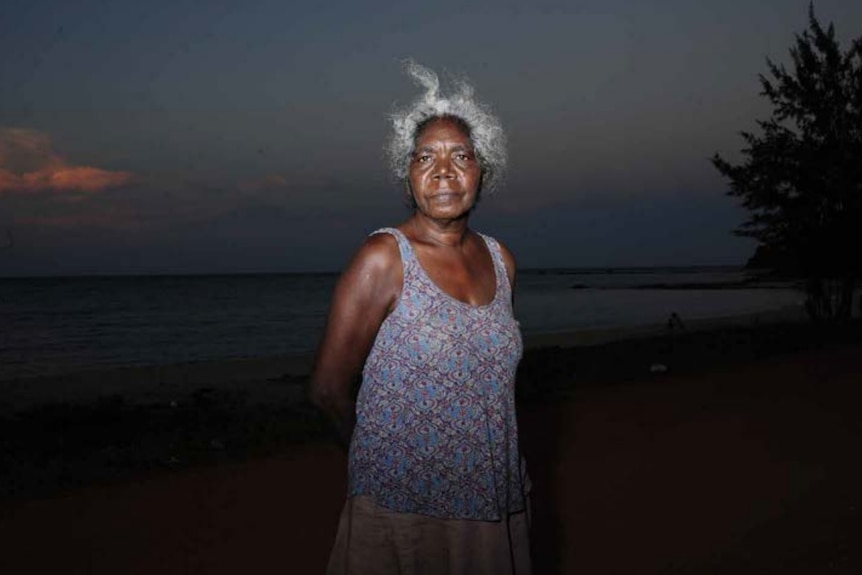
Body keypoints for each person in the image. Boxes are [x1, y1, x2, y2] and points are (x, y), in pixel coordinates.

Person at [309, 61, 531, 575]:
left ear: (483, 171)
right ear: (408, 177)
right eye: (425, 157)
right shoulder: (384, 257)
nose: (444, 171)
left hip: (493, 496)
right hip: (405, 504)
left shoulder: (502, 259)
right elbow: (326, 389)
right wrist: (379, 458)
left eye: (461, 156)